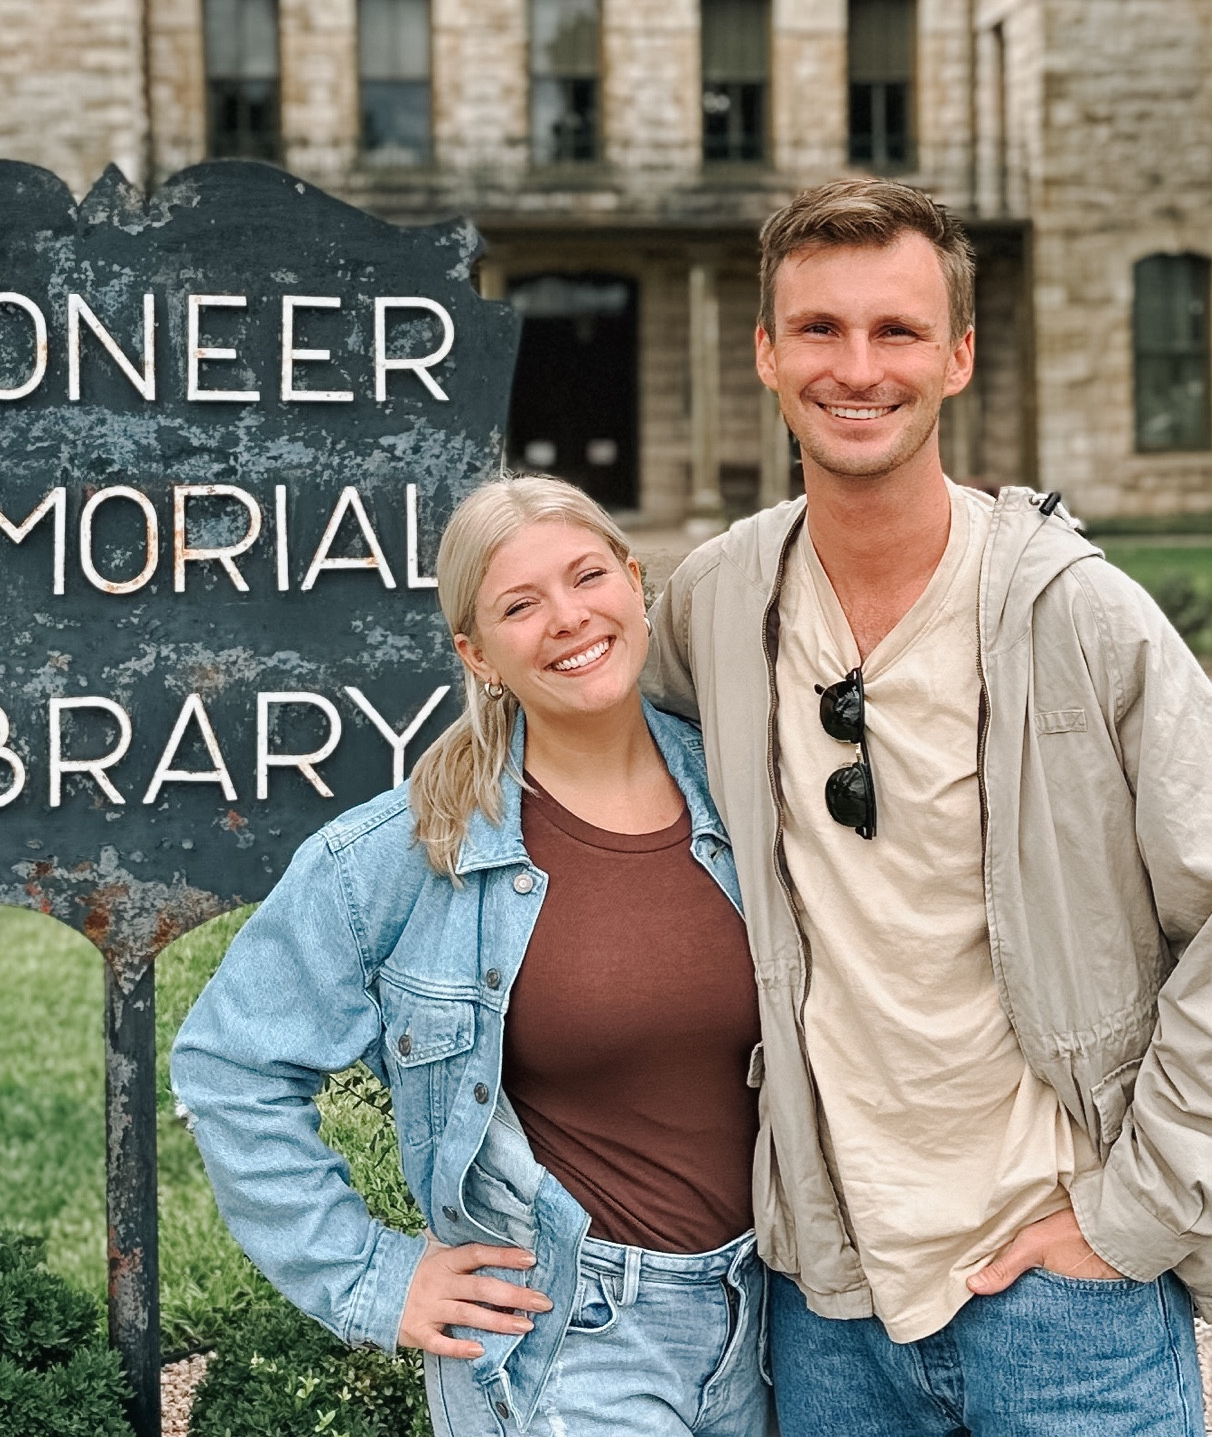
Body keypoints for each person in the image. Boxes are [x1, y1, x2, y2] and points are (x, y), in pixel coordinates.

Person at [644, 177, 1212, 1437]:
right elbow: (595, 798)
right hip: (829, 1297)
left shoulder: (1071, 612)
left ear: (958, 356)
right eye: (818, 328)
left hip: (1063, 1298)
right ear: (763, 351)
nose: (857, 367)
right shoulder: (714, 602)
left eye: (897, 331)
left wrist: (1132, 1212)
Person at [172, 475, 771, 1437]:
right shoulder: (413, 852)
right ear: (477, 653)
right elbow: (229, 1062)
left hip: (772, 1325)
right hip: (565, 1344)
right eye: (519, 606)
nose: (568, 618)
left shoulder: (743, 786)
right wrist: (373, 1276)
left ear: (634, 580)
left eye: (587, 577)